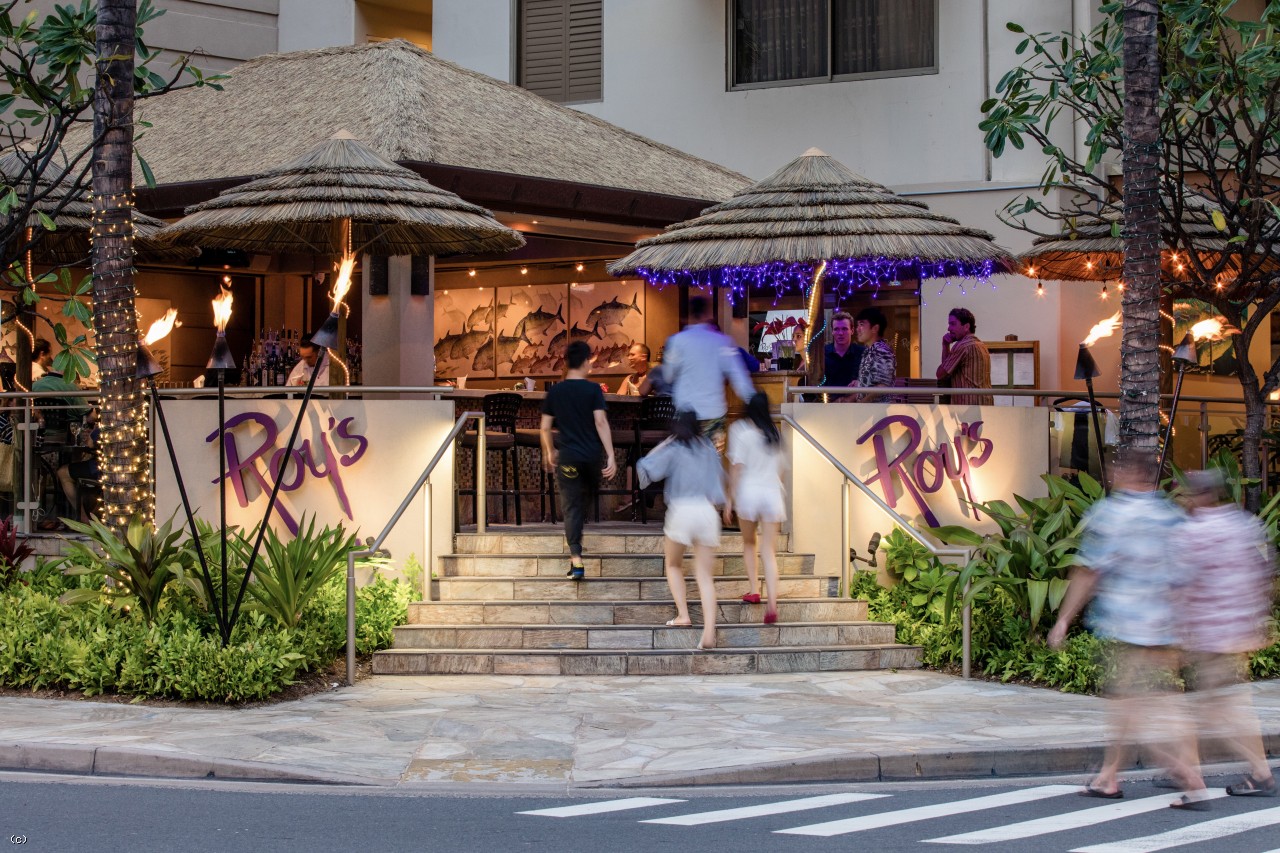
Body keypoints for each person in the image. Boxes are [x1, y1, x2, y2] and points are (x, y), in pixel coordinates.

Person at [1048, 450, 1206, 807]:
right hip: (1165, 624)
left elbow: (1089, 570)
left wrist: (1063, 619)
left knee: (1129, 703)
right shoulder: (1170, 516)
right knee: (1164, 700)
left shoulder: (1111, 514)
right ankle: (1111, 774)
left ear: (1124, 474)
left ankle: (1182, 773)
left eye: (1115, 470)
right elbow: (1187, 573)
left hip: (1129, 624)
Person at [1175, 469, 1277, 798]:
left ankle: (1258, 772)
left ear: (1199, 497)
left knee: (1216, 710)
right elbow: (1265, 574)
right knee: (1228, 705)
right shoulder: (1245, 524)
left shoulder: (1193, 533)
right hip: (1238, 634)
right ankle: (1188, 765)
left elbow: (1181, 586)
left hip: (1210, 637)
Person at [637, 410, 726, 651]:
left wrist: (662, 445)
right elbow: (718, 488)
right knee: (705, 576)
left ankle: (683, 614)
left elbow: (646, 469)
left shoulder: (674, 447)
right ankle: (709, 633)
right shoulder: (707, 447)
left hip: (682, 510)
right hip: (706, 512)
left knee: (674, 564)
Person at [540, 340, 618, 579]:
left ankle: (576, 559)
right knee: (581, 503)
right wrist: (611, 454)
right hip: (591, 459)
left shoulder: (555, 391)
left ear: (565, 363)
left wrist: (550, 450)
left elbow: (544, 427)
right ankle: (577, 542)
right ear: (586, 362)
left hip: (569, 459)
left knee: (571, 508)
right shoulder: (594, 390)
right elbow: (601, 422)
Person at [662, 294, 755, 453]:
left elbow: (668, 376)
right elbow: (739, 379)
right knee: (712, 463)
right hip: (714, 413)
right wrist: (755, 403)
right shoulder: (722, 342)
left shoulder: (677, 341)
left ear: (690, 315)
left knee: (685, 464)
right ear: (708, 314)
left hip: (685, 415)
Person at [725, 392, 786, 624]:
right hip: (772, 494)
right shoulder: (774, 432)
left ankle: (754, 589)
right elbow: (781, 470)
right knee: (769, 551)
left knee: (750, 543)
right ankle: (772, 604)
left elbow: (737, 468)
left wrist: (729, 500)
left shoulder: (740, 430)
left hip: (749, 494)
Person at [935, 307, 993, 406]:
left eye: (953, 324)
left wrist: (945, 345)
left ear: (966, 326)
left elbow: (941, 374)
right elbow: (947, 373)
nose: (949, 328)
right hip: (985, 405)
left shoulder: (963, 346)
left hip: (967, 408)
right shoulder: (981, 345)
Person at [847, 307, 904, 404]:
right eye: (857, 325)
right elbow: (872, 385)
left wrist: (861, 403)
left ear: (875, 328)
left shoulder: (881, 351)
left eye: (861, 324)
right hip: (870, 411)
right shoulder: (869, 351)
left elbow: (883, 386)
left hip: (877, 412)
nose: (857, 329)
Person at [821, 311, 864, 394]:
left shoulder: (862, 353)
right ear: (832, 332)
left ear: (852, 330)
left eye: (844, 329)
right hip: (828, 403)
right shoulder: (823, 353)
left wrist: (859, 382)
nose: (840, 333)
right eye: (836, 329)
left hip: (855, 403)